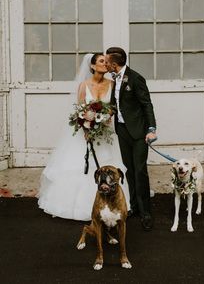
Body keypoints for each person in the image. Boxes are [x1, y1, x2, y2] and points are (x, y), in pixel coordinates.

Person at [38, 53, 130, 221]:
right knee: (81, 168)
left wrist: (104, 116)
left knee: (109, 165)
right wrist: (87, 126)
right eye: (102, 61)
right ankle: (79, 206)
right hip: (86, 134)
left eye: (107, 61)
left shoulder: (113, 84)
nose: (106, 64)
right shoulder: (84, 85)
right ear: (93, 66)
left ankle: (112, 204)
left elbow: (113, 108)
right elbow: (79, 111)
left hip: (106, 134)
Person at [105, 47, 157, 231]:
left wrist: (151, 129)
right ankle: (134, 207)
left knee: (140, 171)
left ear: (114, 63)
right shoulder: (114, 79)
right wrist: (104, 115)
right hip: (123, 131)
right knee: (128, 170)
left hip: (139, 132)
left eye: (106, 61)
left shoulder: (135, 78)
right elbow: (115, 104)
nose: (105, 63)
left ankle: (146, 213)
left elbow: (146, 104)